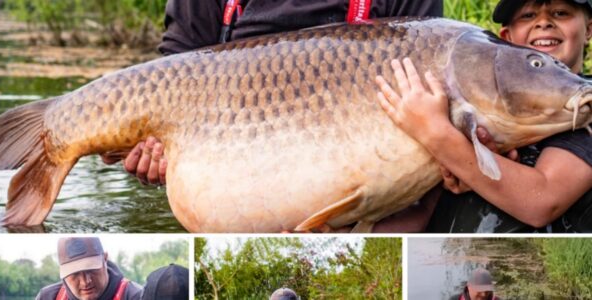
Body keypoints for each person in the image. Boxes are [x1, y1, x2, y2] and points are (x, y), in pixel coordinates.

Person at [101, 0, 444, 232]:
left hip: (369, 209)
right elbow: (173, 71)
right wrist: (156, 148)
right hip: (233, 182)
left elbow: (427, 48)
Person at [376, 0, 592, 233]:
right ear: (505, 38)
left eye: (560, 13)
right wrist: (464, 169)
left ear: (589, 29)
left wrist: (437, 134)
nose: (543, 24)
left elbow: (543, 202)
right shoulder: (472, 102)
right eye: (528, 16)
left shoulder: (585, 101)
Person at [35, 237, 142, 300]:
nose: (85, 282)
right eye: (75, 273)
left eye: (91, 270)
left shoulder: (135, 296)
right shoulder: (47, 297)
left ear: (104, 259)